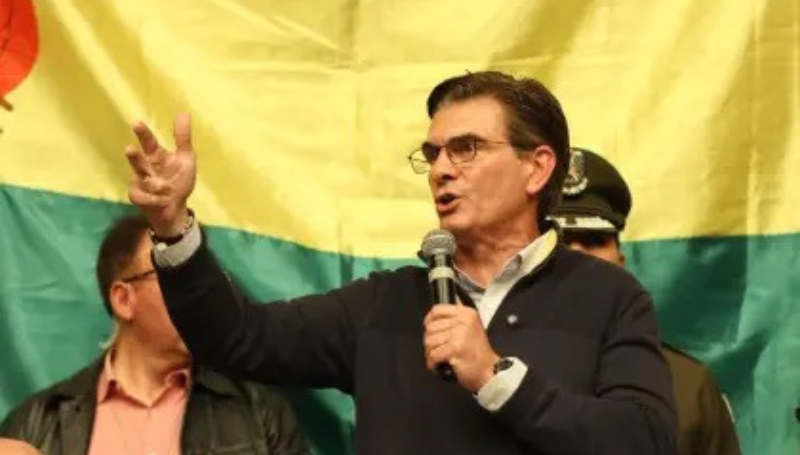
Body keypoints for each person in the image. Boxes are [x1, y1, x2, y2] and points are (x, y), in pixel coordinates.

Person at [123, 71, 677, 455]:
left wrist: (495, 377)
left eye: (466, 148)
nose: (441, 170)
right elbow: (240, 338)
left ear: (537, 168)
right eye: (433, 154)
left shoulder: (610, 297)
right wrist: (172, 227)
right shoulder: (384, 305)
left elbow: (644, 441)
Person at [0, 215, 309, 455]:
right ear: (124, 299)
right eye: (175, 277)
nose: (199, 296)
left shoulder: (261, 412)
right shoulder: (34, 424)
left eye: (202, 280)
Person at [551, 147, 742, 455]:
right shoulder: (490, 374)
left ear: (621, 262)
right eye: (557, 240)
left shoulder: (688, 386)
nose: (578, 255)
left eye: (594, 240)